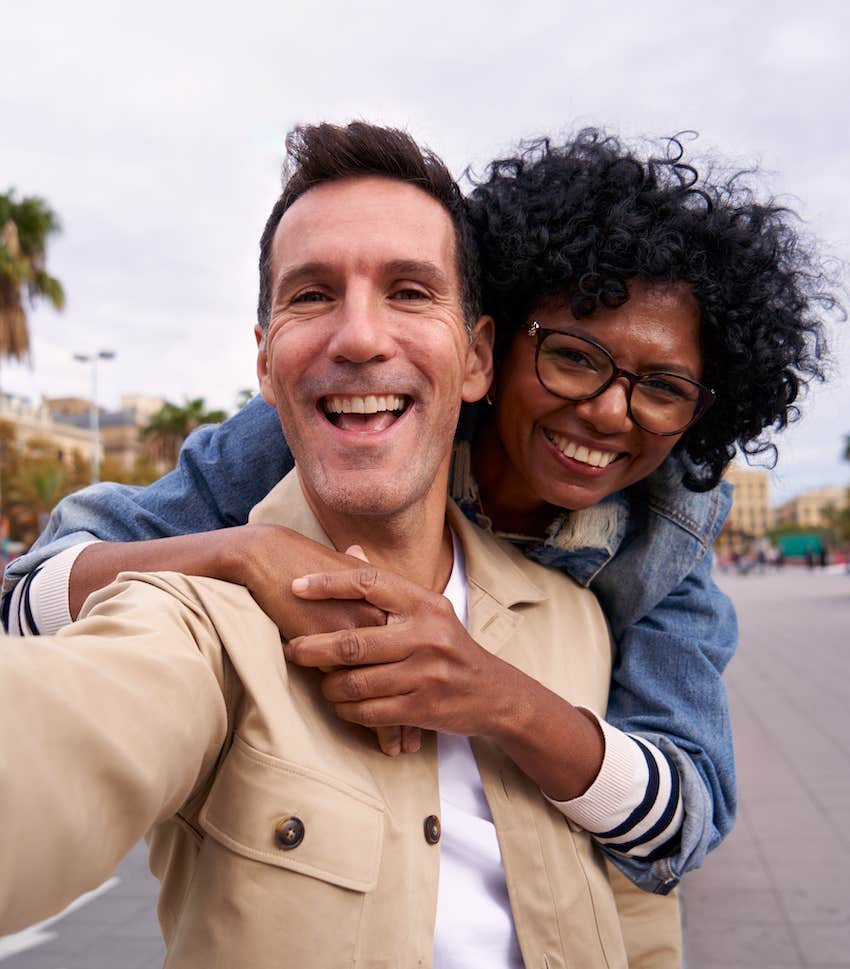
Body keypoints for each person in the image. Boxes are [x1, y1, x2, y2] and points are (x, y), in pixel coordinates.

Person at [2, 128, 837, 910]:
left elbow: (683, 818)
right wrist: (242, 552)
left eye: (661, 387)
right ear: (492, 349)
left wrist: (499, 696)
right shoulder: (347, 419)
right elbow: (25, 595)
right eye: (575, 357)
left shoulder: (668, 529)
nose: (611, 412)